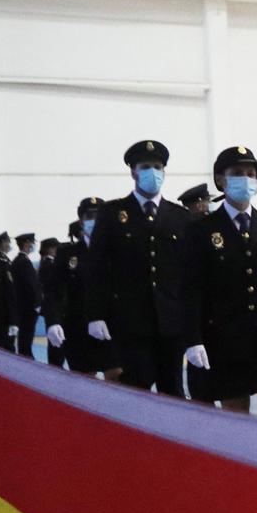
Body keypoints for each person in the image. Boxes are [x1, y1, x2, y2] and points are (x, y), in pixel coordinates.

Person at [182, 146, 257, 418]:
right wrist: (193, 339)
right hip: (224, 339)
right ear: (221, 180)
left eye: (250, 173)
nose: (245, 179)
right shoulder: (201, 230)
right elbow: (192, 289)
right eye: (237, 173)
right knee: (236, 421)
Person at [83, 139, 194, 393]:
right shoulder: (113, 213)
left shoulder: (180, 217)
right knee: (136, 385)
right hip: (130, 320)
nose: (152, 172)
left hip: (171, 321)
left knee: (173, 390)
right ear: (133, 171)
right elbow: (98, 268)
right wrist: (95, 314)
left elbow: (189, 274)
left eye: (157, 166)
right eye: (145, 166)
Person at [49, 201, 116, 375]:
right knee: (85, 384)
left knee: (117, 379)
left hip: (112, 326)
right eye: (89, 216)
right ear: (81, 220)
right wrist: (53, 321)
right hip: (77, 327)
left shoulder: (117, 249)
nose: (94, 220)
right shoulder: (66, 254)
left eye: (98, 216)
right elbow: (54, 291)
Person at [9, 232, 40, 357]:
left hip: (22, 306)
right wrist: (37, 303)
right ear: (27, 243)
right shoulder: (23, 262)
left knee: (24, 337)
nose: (33, 245)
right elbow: (31, 285)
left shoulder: (18, 261)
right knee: (26, 336)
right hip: (27, 307)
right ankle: (26, 358)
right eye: (32, 242)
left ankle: (25, 355)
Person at [38, 235, 66, 367]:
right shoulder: (49, 265)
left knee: (55, 342)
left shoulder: (45, 264)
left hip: (51, 308)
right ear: (50, 249)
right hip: (55, 308)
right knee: (57, 343)